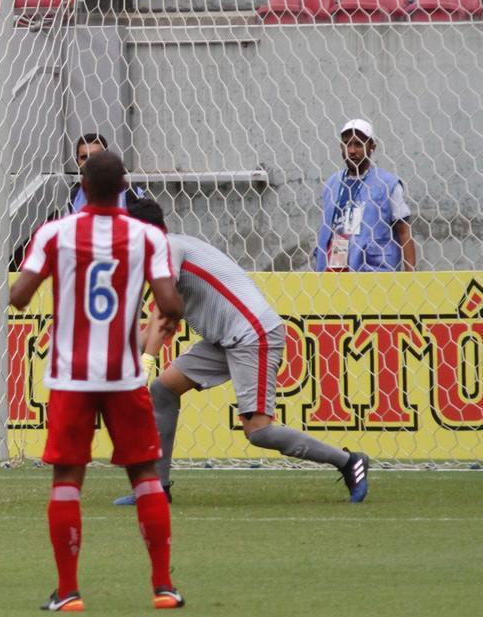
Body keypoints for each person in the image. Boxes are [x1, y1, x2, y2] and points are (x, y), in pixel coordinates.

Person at [9, 151, 186, 613]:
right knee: (145, 474)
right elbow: (170, 301)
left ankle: (67, 592)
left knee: (68, 477)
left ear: (82, 185)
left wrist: (47, 273)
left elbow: (20, 297)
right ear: (124, 185)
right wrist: (154, 323)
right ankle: (163, 587)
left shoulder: (56, 233)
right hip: (124, 372)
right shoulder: (147, 236)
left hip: (72, 374)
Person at [116, 197, 370, 506]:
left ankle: (348, 461)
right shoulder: (170, 255)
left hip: (254, 335)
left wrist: (145, 362)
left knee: (258, 432)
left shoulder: (167, 249)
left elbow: (162, 315)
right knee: (164, 390)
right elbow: (159, 324)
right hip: (224, 340)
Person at [314, 119, 415, 272]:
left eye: (359, 144)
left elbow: (404, 232)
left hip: (373, 274)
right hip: (335, 272)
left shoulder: (387, 184)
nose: (352, 150)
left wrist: (410, 277)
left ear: (372, 147)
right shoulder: (332, 183)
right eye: (347, 144)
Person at [66, 133, 144, 213]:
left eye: (95, 156)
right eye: (84, 157)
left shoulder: (132, 193)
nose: (89, 162)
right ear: (77, 162)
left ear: (106, 157)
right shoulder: (73, 198)